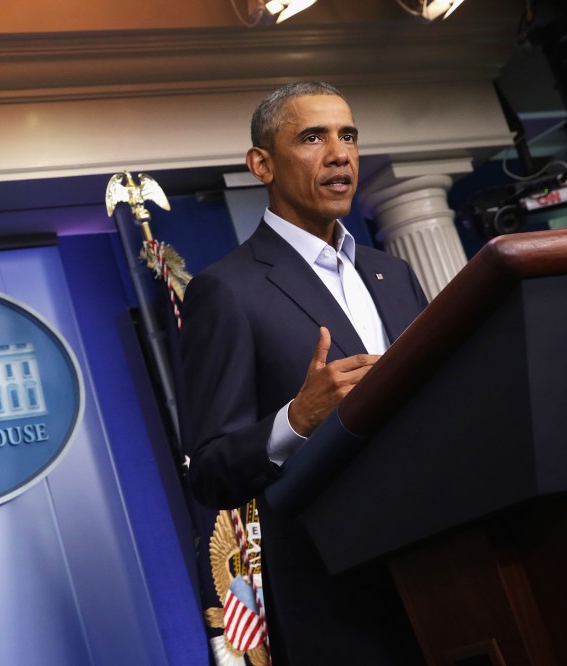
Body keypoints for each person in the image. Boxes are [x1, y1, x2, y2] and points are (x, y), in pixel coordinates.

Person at [180, 81, 428, 664]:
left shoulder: (394, 273)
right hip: (340, 596)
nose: (339, 153)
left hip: (439, 558)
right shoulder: (227, 291)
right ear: (262, 163)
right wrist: (297, 418)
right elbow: (211, 470)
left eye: (348, 136)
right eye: (312, 137)